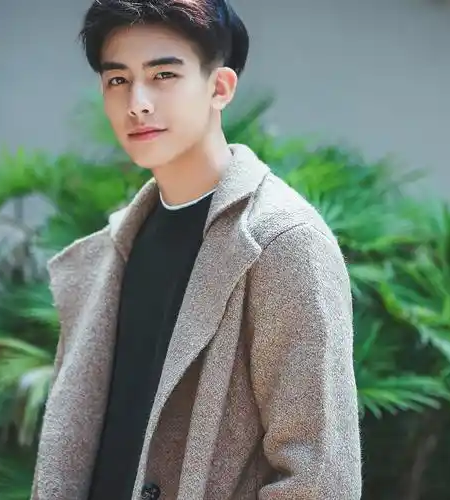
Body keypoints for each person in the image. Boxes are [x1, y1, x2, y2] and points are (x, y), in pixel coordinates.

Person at [31, 0, 361, 498]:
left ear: (219, 87)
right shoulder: (109, 253)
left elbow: (320, 479)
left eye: (163, 75)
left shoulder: (282, 241)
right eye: (118, 80)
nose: (137, 102)